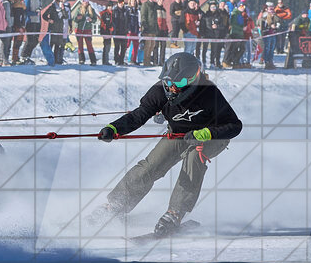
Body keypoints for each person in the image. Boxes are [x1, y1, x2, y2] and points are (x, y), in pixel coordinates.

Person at [94, 52, 242, 237]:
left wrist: (207, 133)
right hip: (179, 134)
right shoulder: (159, 91)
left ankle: (175, 212)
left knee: (194, 156)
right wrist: (114, 128)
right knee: (150, 166)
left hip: (212, 137)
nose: (172, 87)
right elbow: (138, 115)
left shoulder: (209, 93)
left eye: (179, 83)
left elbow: (234, 125)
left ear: (193, 79)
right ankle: (116, 204)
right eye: (168, 81)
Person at [18, 0, 42, 64]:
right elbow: (26, 11)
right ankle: (23, 56)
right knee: (30, 40)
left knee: (35, 41)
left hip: (37, 22)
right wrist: (35, 13)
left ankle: (28, 56)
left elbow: (40, 12)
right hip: (30, 22)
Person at [71, 0, 97, 65]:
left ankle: (93, 60)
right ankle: (81, 59)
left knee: (89, 45)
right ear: (82, 2)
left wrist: (91, 20)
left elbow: (95, 19)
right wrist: (78, 18)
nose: (85, 2)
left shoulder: (91, 9)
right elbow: (74, 19)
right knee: (80, 45)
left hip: (87, 29)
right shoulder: (79, 9)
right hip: (79, 29)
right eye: (84, 1)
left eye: (86, 1)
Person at [223, 1, 249, 68]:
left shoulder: (240, 14)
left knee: (242, 49)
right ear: (238, 6)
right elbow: (233, 25)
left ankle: (235, 61)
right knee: (235, 49)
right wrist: (242, 28)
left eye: (244, 6)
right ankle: (233, 62)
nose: (243, 8)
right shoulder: (235, 13)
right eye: (241, 6)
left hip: (240, 34)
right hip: (235, 33)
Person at [42, 0, 66, 65]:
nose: (60, 3)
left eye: (61, 1)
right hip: (52, 29)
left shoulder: (62, 8)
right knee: (51, 45)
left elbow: (66, 16)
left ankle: (56, 60)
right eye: (59, 1)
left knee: (57, 46)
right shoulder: (52, 7)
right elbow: (44, 15)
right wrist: (49, 20)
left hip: (59, 29)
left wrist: (63, 9)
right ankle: (49, 59)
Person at [256, 2, 281, 69]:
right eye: (270, 9)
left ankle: (270, 62)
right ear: (266, 9)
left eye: (272, 9)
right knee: (267, 49)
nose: (272, 10)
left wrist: (277, 25)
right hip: (267, 34)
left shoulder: (274, 16)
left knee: (272, 49)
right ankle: (266, 62)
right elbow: (259, 23)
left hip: (273, 34)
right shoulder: (264, 15)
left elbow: (278, 22)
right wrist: (269, 25)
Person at [98, 0, 117, 66]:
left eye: (111, 6)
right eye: (109, 6)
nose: (110, 8)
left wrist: (113, 29)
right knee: (106, 47)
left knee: (108, 47)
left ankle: (106, 60)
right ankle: (105, 61)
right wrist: (107, 29)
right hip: (105, 32)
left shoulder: (113, 13)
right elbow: (103, 23)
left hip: (110, 33)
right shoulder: (104, 13)